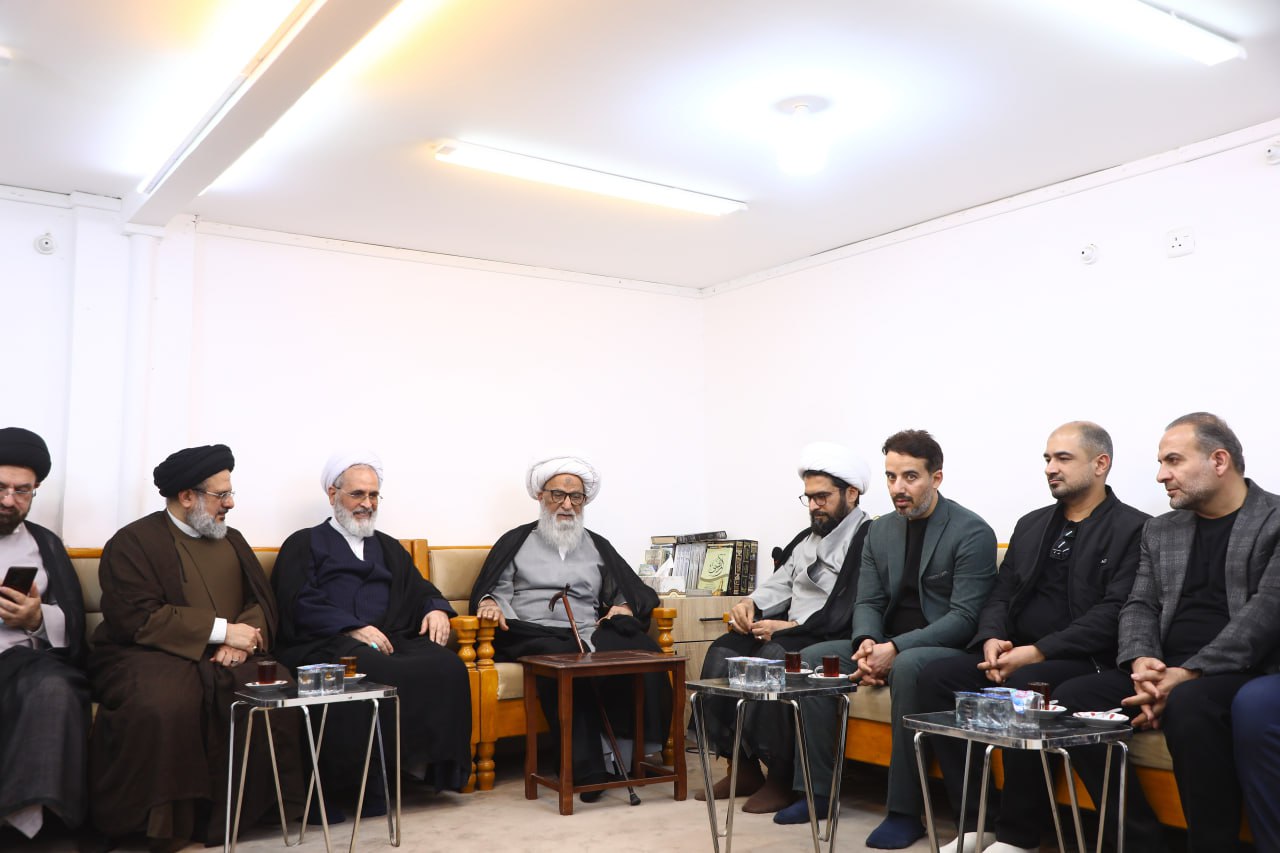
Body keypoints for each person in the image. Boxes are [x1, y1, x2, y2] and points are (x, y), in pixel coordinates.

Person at [1035, 413, 1280, 853]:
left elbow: (1264, 615)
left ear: (1219, 460)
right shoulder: (1161, 529)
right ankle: (1141, 841)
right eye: (1161, 462)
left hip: (1241, 671)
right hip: (1164, 669)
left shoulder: (1274, 520)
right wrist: (1142, 662)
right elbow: (1139, 605)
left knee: (1191, 703)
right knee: (1073, 700)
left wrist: (1188, 674)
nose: (1161, 475)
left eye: (1173, 461)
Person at [916, 422, 1149, 853]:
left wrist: (1037, 652)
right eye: (1047, 458)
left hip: (1084, 659)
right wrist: (992, 637)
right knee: (937, 677)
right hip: (1017, 651)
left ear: (1100, 464)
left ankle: (1018, 835)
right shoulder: (1032, 524)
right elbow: (1001, 593)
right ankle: (976, 821)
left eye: (1063, 458)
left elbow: (1114, 613)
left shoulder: (1135, 529)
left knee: (1026, 688)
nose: (1050, 468)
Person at [779, 429, 998, 851]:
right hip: (886, 641)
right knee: (812, 658)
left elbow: (965, 618)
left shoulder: (971, 531)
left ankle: (904, 811)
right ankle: (817, 791)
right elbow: (869, 600)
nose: (898, 487)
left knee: (910, 667)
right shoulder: (879, 532)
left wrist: (895, 650)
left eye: (910, 477)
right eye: (891, 476)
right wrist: (866, 642)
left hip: (942, 647)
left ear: (936, 478)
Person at [88, 444, 302, 851]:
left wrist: (244, 640)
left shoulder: (233, 540)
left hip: (228, 654)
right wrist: (221, 632)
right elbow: (136, 617)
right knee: (164, 701)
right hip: (148, 655)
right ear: (187, 496)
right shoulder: (133, 542)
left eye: (230, 493)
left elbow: (260, 601)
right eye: (221, 495)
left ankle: (253, 811)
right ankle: (166, 827)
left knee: (272, 683)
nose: (230, 503)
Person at [272, 451, 472, 816]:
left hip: (391, 637)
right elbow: (297, 599)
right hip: (327, 641)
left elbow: (419, 588)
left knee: (448, 665)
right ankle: (368, 784)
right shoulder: (305, 543)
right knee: (375, 669)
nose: (367, 503)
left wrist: (435, 609)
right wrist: (350, 626)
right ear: (333, 494)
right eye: (358, 494)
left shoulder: (388, 546)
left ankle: (422, 769)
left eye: (373, 495)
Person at [470, 455, 669, 802]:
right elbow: (494, 589)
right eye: (558, 495)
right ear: (540, 496)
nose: (566, 504)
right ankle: (588, 769)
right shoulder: (516, 541)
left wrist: (623, 606)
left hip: (586, 632)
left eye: (575, 497)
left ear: (584, 501)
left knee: (640, 648)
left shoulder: (596, 544)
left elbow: (626, 588)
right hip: (532, 631)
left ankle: (627, 754)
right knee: (564, 659)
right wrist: (490, 603)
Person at [695, 441, 872, 813]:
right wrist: (750, 605)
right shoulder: (807, 539)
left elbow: (852, 604)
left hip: (829, 631)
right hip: (790, 627)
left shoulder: (868, 538)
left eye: (822, 497)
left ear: (851, 494)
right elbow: (781, 584)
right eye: (809, 497)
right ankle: (741, 766)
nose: (814, 506)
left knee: (776, 658)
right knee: (723, 651)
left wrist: (790, 626)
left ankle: (781, 776)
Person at [0, 428, 90, 841]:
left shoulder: (45, 544)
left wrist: (36, 617)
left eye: (22, 491)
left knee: (55, 688)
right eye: (1, 488)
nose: (9, 500)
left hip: (24, 663)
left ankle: (28, 827)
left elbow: (72, 623)